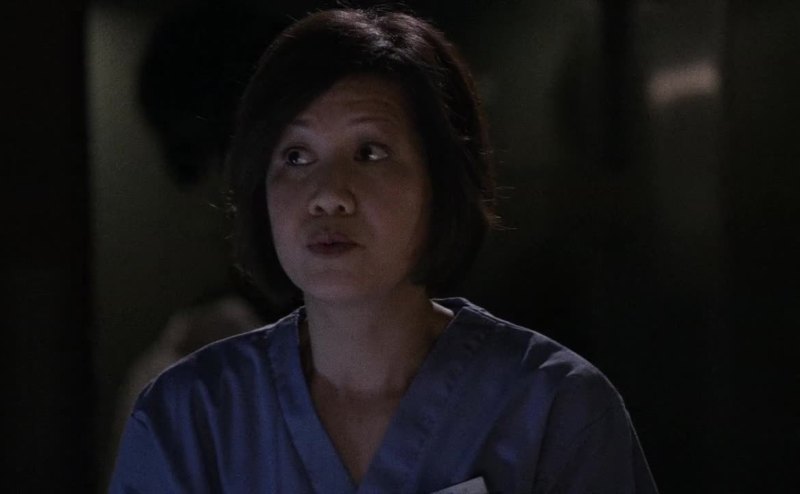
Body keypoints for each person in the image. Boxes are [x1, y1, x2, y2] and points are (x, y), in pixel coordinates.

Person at [109, 8, 658, 493]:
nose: (328, 194)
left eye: (370, 152)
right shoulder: (191, 417)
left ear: (441, 182)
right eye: (296, 156)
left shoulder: (554, 409)